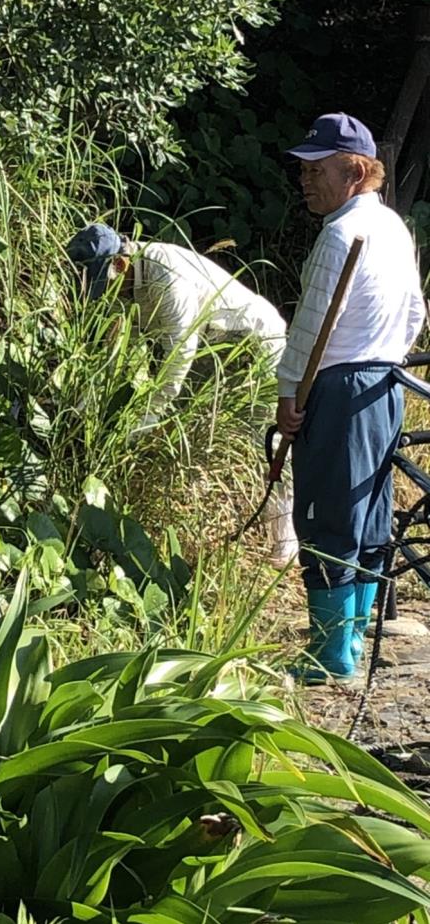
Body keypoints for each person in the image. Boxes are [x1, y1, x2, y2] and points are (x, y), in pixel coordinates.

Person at [278, 112, 426, 682]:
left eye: (318, 169)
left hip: (337, 388)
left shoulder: (341, 234)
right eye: (303, 169)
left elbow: (312, 326)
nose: (305, 180)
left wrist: (289, 394)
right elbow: (416, 311)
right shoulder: (393, 226)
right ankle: (353, 642)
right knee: (367, 513)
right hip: (386, 383)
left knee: (328, 516)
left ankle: (329, 655)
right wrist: (383, 348)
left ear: (357, 171)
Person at [66, 223, 297, 566]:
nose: (107, 298)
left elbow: (177, 365)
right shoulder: (129, 282)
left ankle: (285, 542)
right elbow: (111, 355)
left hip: (249, 343)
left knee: (260, 438)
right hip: (211, 346)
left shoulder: (166, 277)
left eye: (106, 287)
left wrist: (136, 428)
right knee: (193, 430)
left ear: (121, 265)